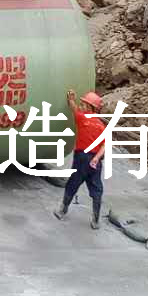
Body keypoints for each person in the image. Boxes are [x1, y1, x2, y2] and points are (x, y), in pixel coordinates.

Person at [54, 89, 107, 229]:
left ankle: (62, 211)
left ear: (90, 107)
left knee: (73, 183)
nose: (81, 106)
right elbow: (104, 146)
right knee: (97, 189)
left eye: (84, 104)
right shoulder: (101, 126)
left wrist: (71, 99)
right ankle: (95, 221)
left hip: (82, 158)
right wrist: (96, 158)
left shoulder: (82, 118)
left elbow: (74, 108)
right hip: (95, 161)